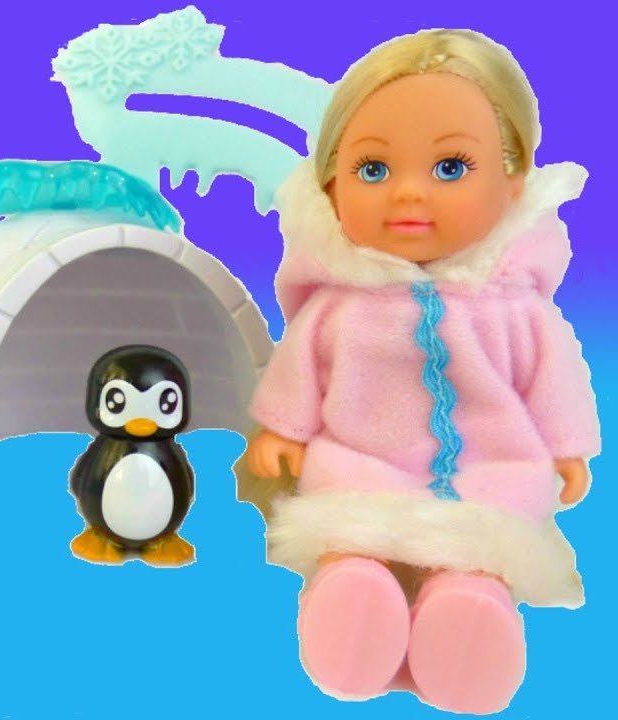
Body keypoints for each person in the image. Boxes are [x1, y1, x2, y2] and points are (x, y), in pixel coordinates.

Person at [244, 28, 601, 714]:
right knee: (350, 539)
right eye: (374, 170)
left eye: (450, 168)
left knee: (479, 551)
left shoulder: (514, 306)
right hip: (361, 462)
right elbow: (301, 370)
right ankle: (351, 600)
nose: (409, 195)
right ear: (331, 185)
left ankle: (469, 617)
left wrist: (566, 446)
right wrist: (283, 429)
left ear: (513, 183)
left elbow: (552, 376)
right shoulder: (340, 305)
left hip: (492, 468)